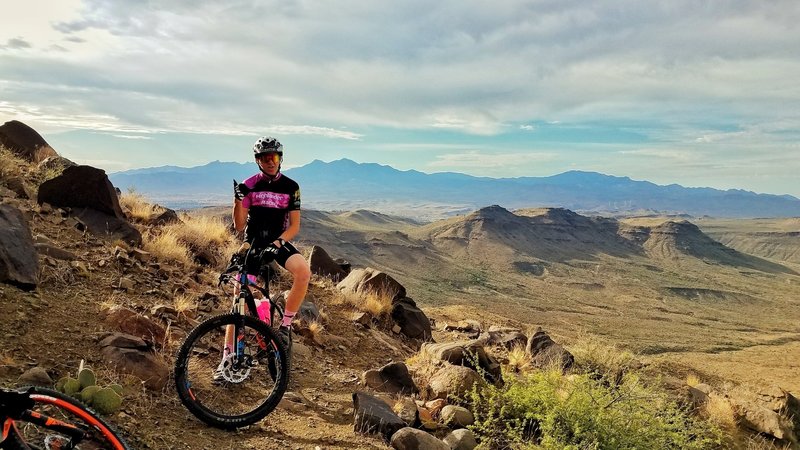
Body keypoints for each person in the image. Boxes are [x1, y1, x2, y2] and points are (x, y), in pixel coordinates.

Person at [215, 137, 310, 382]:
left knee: (303, 272)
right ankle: (226, 359)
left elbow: (294, 226)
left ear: (280, 159)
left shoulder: (292, 186)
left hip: (278, 242)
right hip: (253, 244)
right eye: (265, 158)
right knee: (238, 298)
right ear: (258, 161)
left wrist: (278, 243)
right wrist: (237, 199)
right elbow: (238, 225)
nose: (271, 162)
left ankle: (285, 325)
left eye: (275, 157)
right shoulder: (249, 185)